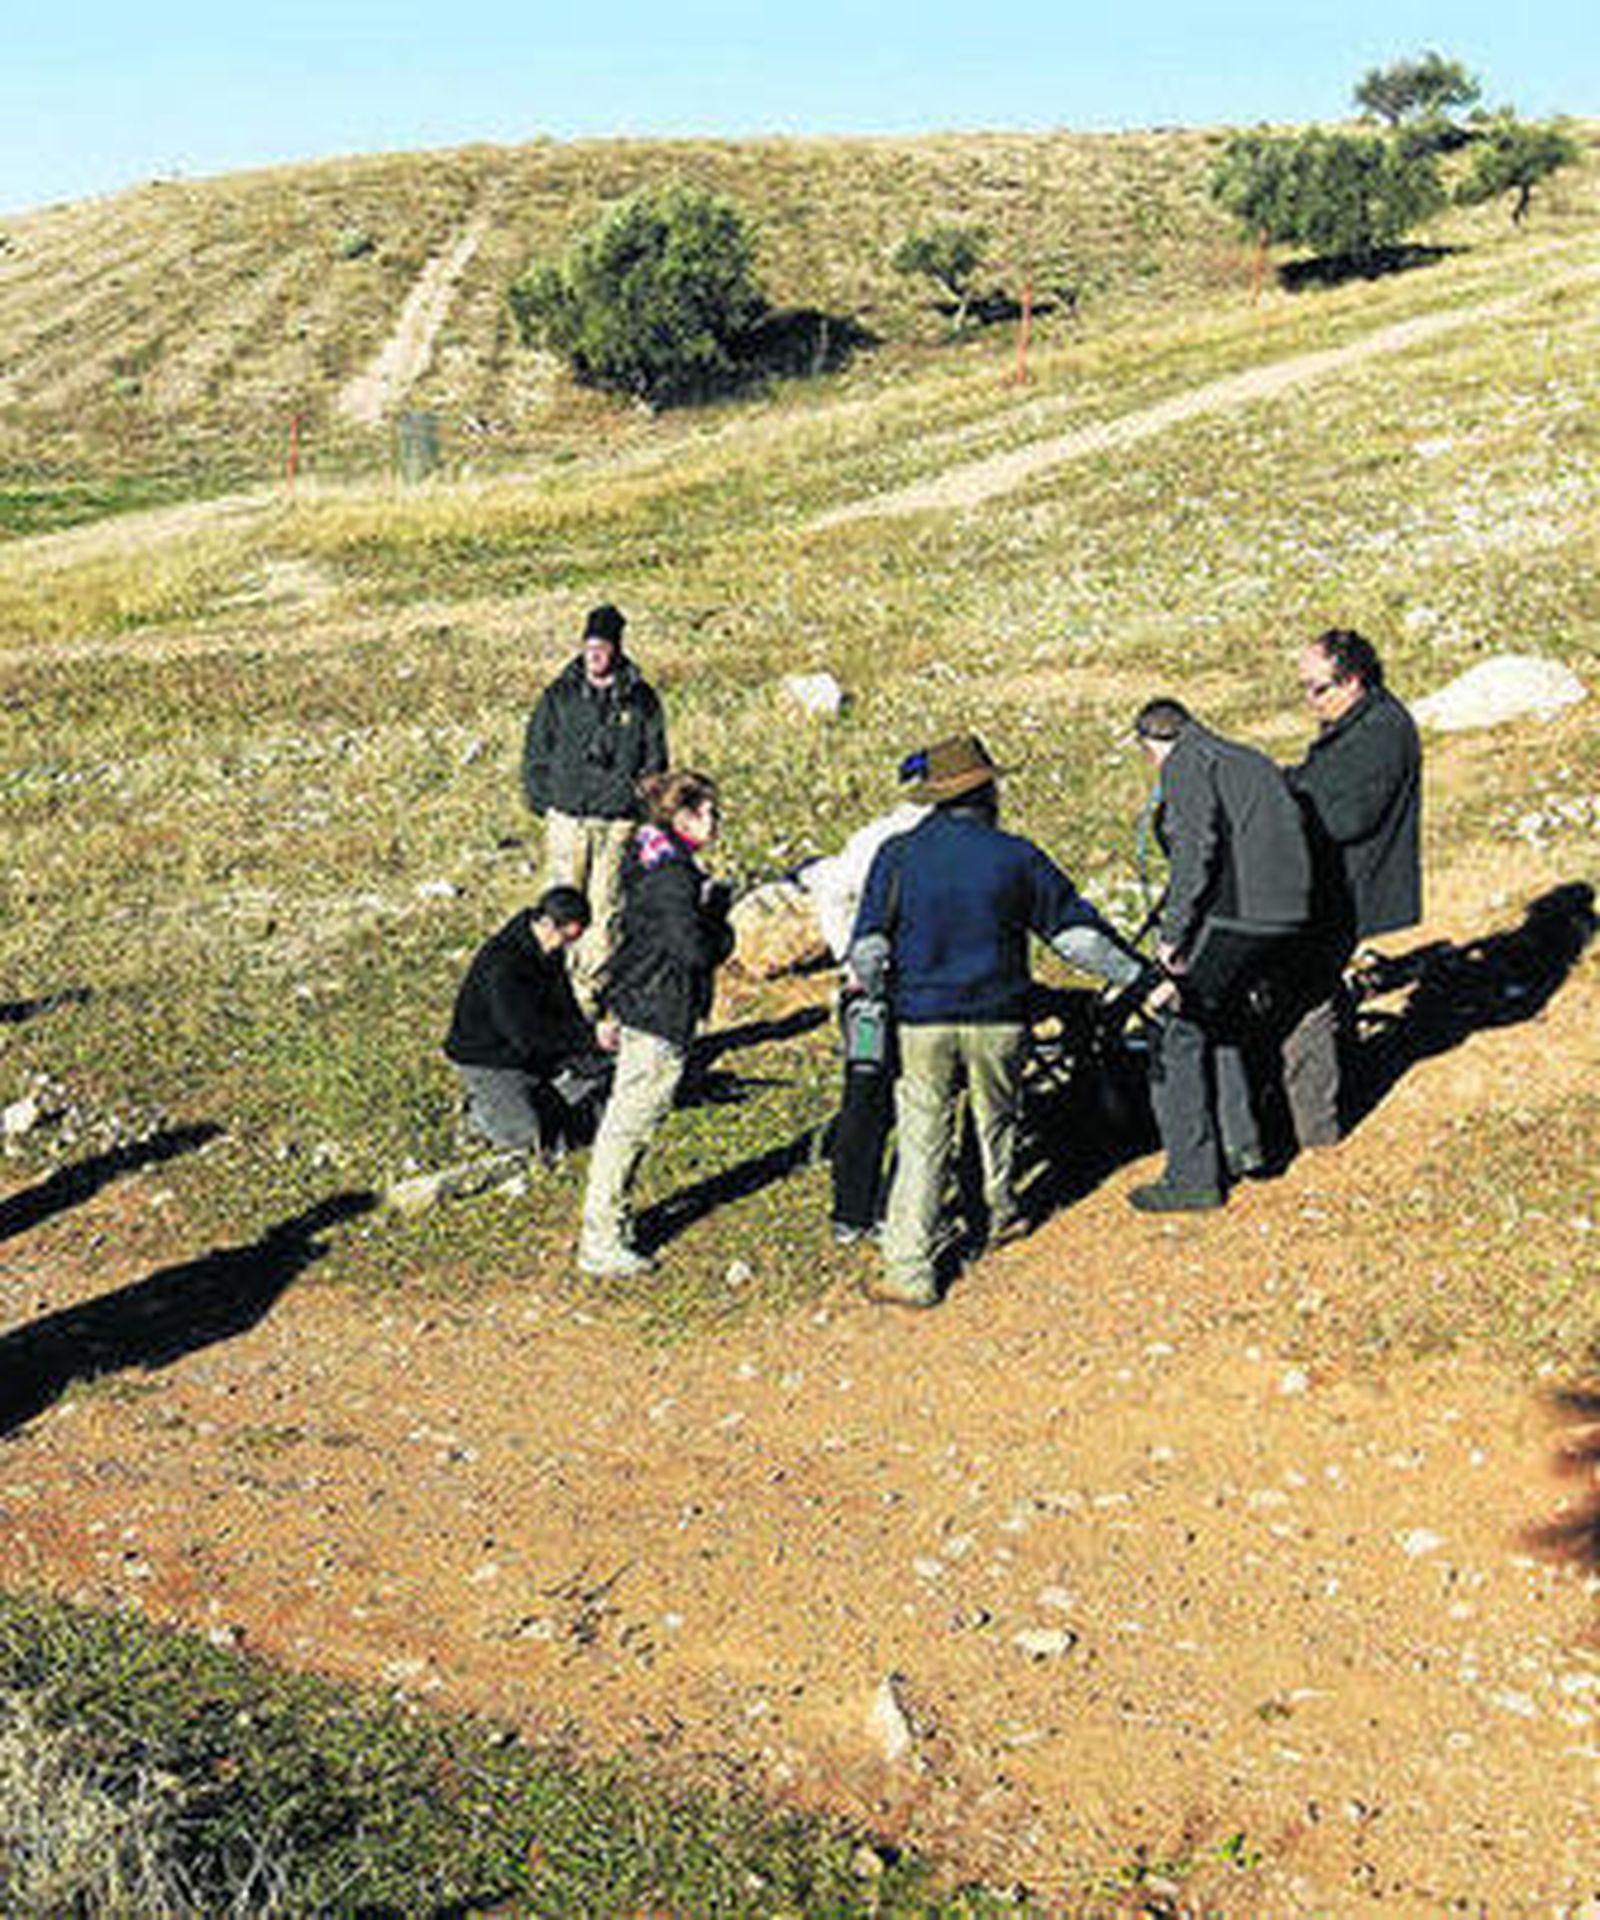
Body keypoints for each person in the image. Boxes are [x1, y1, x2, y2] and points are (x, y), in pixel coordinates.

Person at [848, 734, 1143, 1308]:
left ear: (935, 796)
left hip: (921, 1019)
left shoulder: (897, 855)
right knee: (996, 1119)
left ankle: (909, 1269)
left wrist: (883, 995)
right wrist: (1139, 976)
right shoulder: (1016, 856)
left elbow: (868, 951)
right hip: (999, 1015)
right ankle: (999, 1217)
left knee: (922, 1134)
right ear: (988, 791)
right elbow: (1074, 938)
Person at [1130, 698, 1312, 1212]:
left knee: (1176, 1023)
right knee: (1221, 1015)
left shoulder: (1186, 763)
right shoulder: (1245, 756)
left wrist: (1173, 935)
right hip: (1289, 913)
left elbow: (1196, 851)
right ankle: (1242, 1143)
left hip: (1240, 916)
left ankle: (1191, 1177)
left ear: (1150, 744)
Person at [577, 770, 734, 1279]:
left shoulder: (646, 857)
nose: (715, 819)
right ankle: (602, 1239)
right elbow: (694, 950)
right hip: (661, 1008)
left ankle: (609, 1226)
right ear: (680, 816)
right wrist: (720, 925)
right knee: (629, 1125)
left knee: (624, 1119)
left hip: (640, 1000)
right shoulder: (674, 877)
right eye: (706, 811)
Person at [1281, 628, 1422, 1146]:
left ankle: (1317, 1130)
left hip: (1346, 884)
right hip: (1334, 880)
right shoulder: (1358, 721)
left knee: (1304, 990)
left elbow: (1346, 817)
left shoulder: (1380, 731)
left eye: (1318, 688)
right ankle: (1344, 1076)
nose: (1310, 699)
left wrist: (1282, 798)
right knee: (1315, 981)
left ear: (1353, 680)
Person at [521, 603, 669, 1014]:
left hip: (617, 822)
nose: (595, 656)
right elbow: (536, 750)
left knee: (606, 908)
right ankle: (552, 990)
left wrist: (636, 802)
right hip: (568, 817)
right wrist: (544, 800)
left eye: (602, 648)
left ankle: (589, 996)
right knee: (560, 905)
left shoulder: (641, 699)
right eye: (589, 648)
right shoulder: (560, 695)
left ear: (617, 649)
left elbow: (656, 760)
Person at [443, 886, 613, 1159]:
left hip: (535, 1053)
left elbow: (563, 1007)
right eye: (564, 937)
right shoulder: (502, 965)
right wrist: (590, 1038)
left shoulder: (549, 951)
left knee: (602, 1080)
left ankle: (545, 1099)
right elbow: (527, 1035)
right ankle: (480, 1116)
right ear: (545, 923)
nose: (564, 946)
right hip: (491, 1060)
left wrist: (588, 1044)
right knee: (531, 1139)